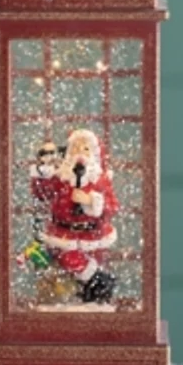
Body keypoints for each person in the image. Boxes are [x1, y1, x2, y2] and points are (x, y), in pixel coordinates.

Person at [31, 128, 118, 303]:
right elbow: (41, 194)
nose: (80, 153)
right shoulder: (61, 178)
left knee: (93, 262)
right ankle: (100, 282)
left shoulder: (100, 180)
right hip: (63, 234)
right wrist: (41, 173)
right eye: (75, 148)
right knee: (68, 260)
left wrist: (91, 200)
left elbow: (112, 206)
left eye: (85, 149)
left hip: (94, 236)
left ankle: (93, 296)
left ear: (94, 154)